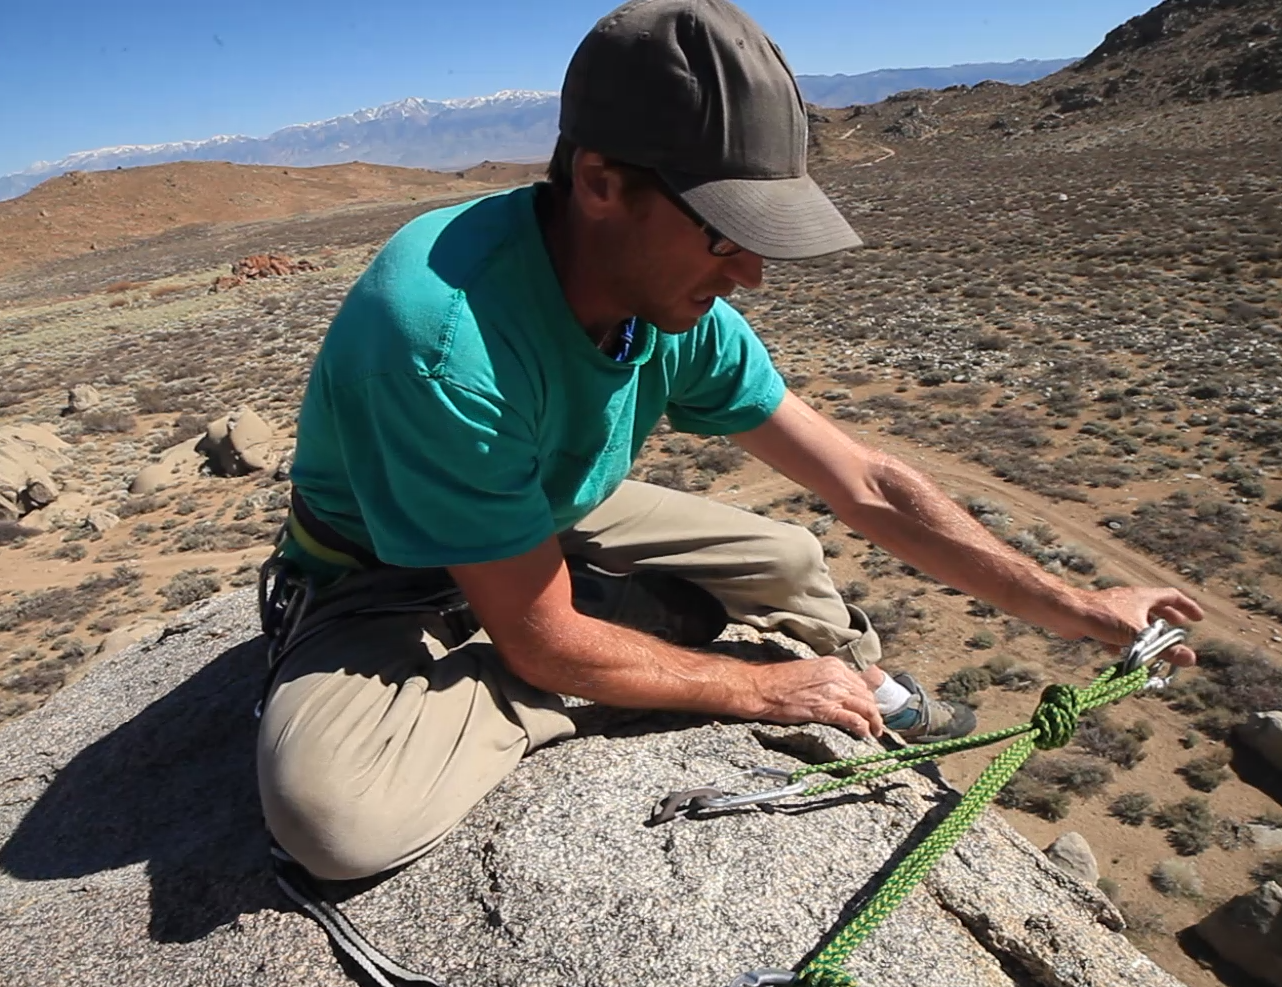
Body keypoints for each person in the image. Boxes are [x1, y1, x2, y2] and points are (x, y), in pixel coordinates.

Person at [257, 0, 1203, 884]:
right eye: (724, 234)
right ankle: (648, 642)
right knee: (334, 815)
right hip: (385, 562)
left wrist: (1077, 606)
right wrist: (751, 690)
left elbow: (866, 485)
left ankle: (861, 688)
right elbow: (541, 643)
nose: (750, 272)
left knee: (786, 554)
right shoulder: (441, 341)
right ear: (598, 183)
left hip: (544, 498)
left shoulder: (672, 302)